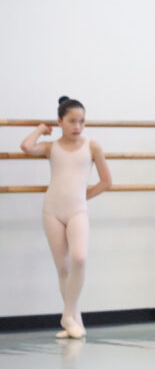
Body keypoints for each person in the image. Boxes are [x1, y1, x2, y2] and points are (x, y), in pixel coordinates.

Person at [20, 97, 112, 339]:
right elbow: (27, 147)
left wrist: (83, 197)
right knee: (63, 268)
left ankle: (67, 315)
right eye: (72, 121)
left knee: (79, 259)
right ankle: (75, 323)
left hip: (77, 211)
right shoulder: (52, 147)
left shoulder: (92, 146)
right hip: (52, 211)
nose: (77, 127)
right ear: (60, 121)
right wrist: (40, 130)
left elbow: (106, 182)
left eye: (82, 121)